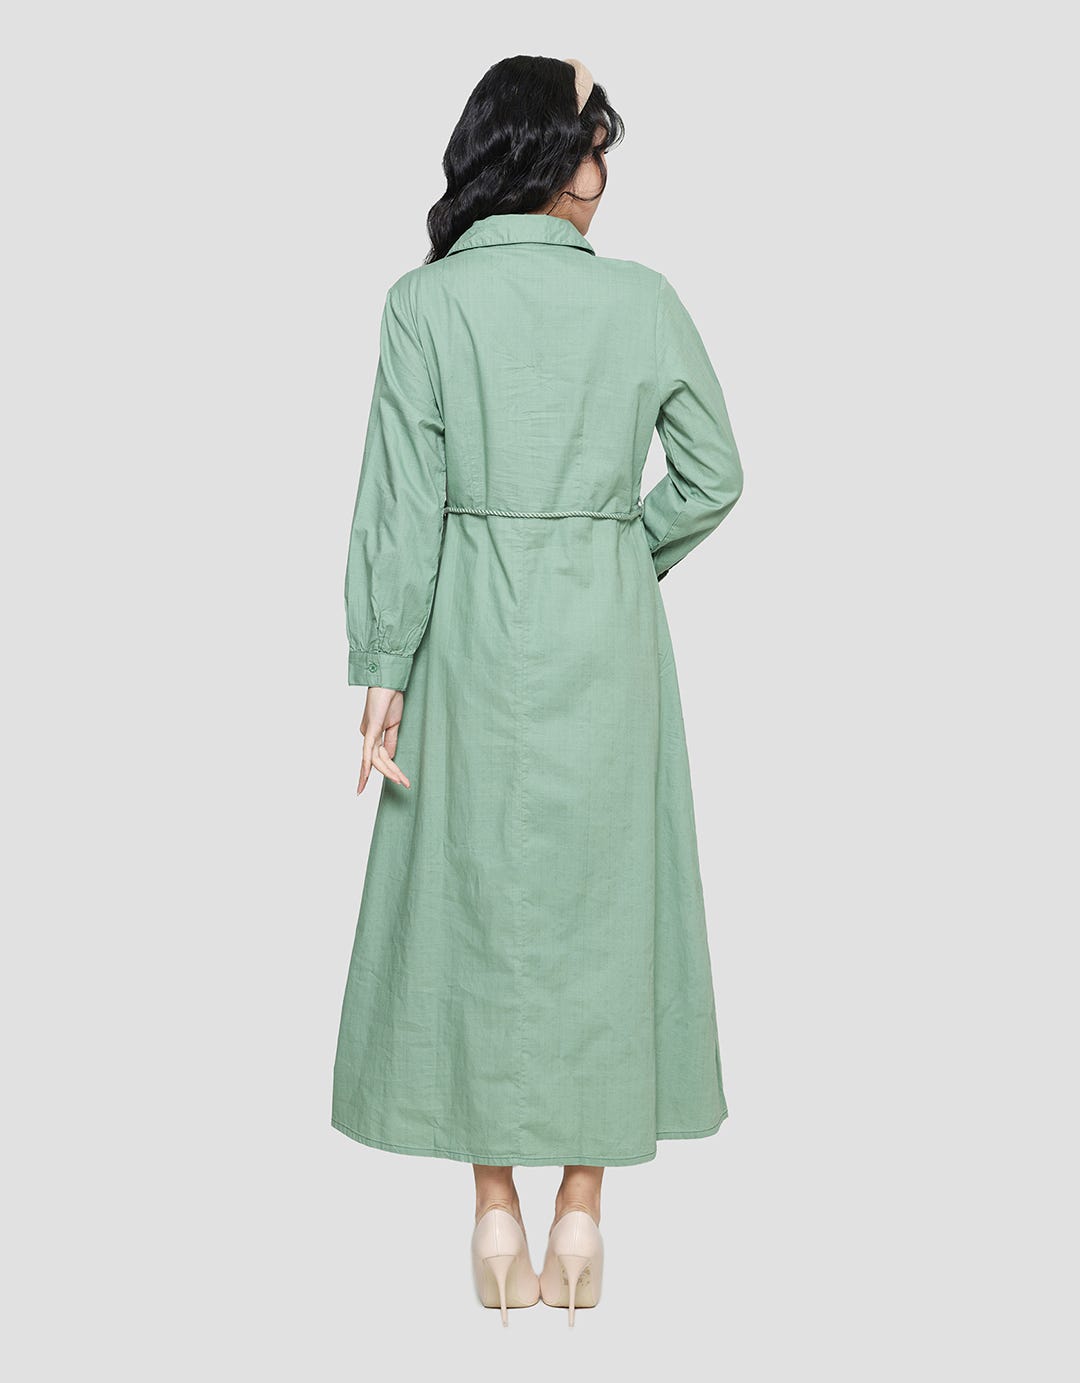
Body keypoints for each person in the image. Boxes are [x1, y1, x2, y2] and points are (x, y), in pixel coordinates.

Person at [332, 54, 744, 1325]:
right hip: (609, 643)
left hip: (467, 635)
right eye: (595, 139)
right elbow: (716, 475)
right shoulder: (642, 301)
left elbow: (401, 508)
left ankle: (496, 1210)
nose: (604, 165)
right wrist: (621, 554)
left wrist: (382, 668)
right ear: (556, 157)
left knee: (474, 899)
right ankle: (582, 1212)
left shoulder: (425, 304)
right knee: (607, 903)